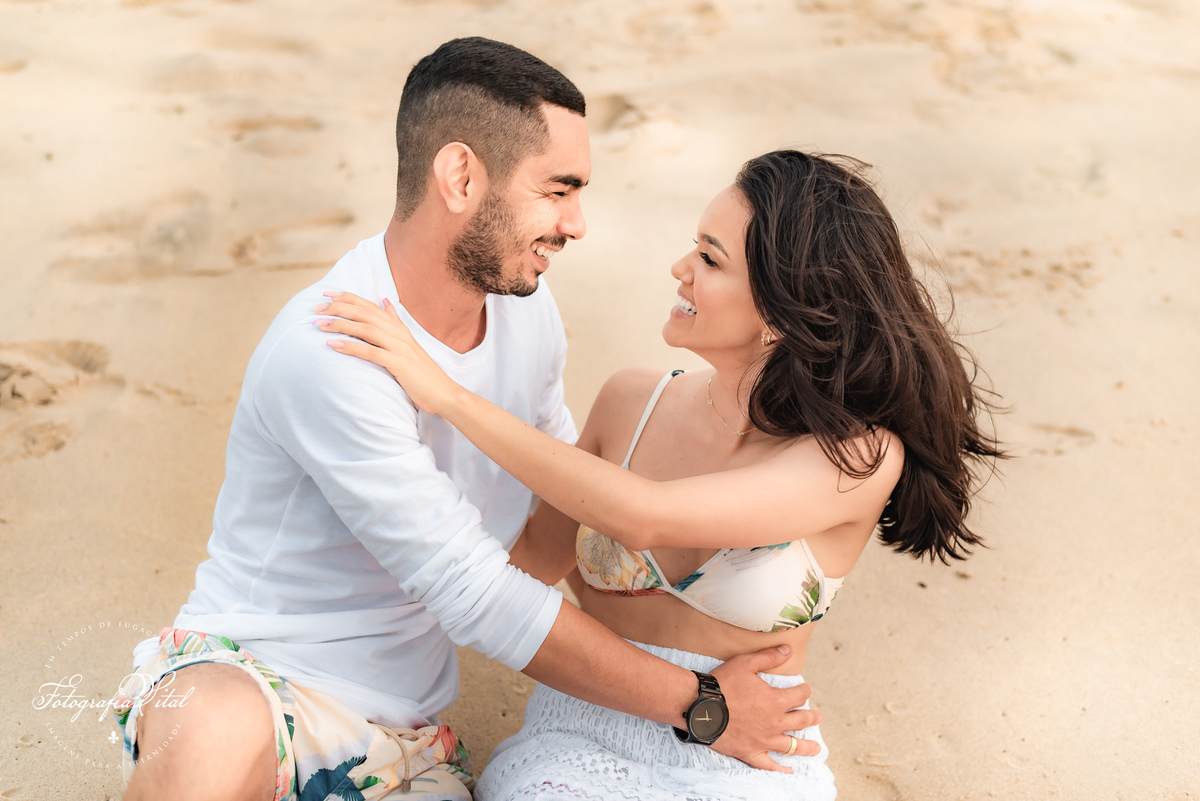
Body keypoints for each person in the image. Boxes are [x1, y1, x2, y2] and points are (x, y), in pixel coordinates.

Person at [112, 39, 817, 801]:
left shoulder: (526, 311)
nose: (577, 223)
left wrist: (704, 627)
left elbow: (552, 513)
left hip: (400, 744)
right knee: (214, 728)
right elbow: (473, 591)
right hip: (256, 676)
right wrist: (701, 705)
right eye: (558, 189)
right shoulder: (331, 349)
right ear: (460, 176)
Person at [317, 149, 1004, 800]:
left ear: (781, 309)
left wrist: (449, 397)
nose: (680, 268)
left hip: (753, 752)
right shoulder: (630, 401)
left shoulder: (857, 456)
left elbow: (643, 515)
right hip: (579, 733)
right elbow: (530, 560)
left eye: (710, 257)